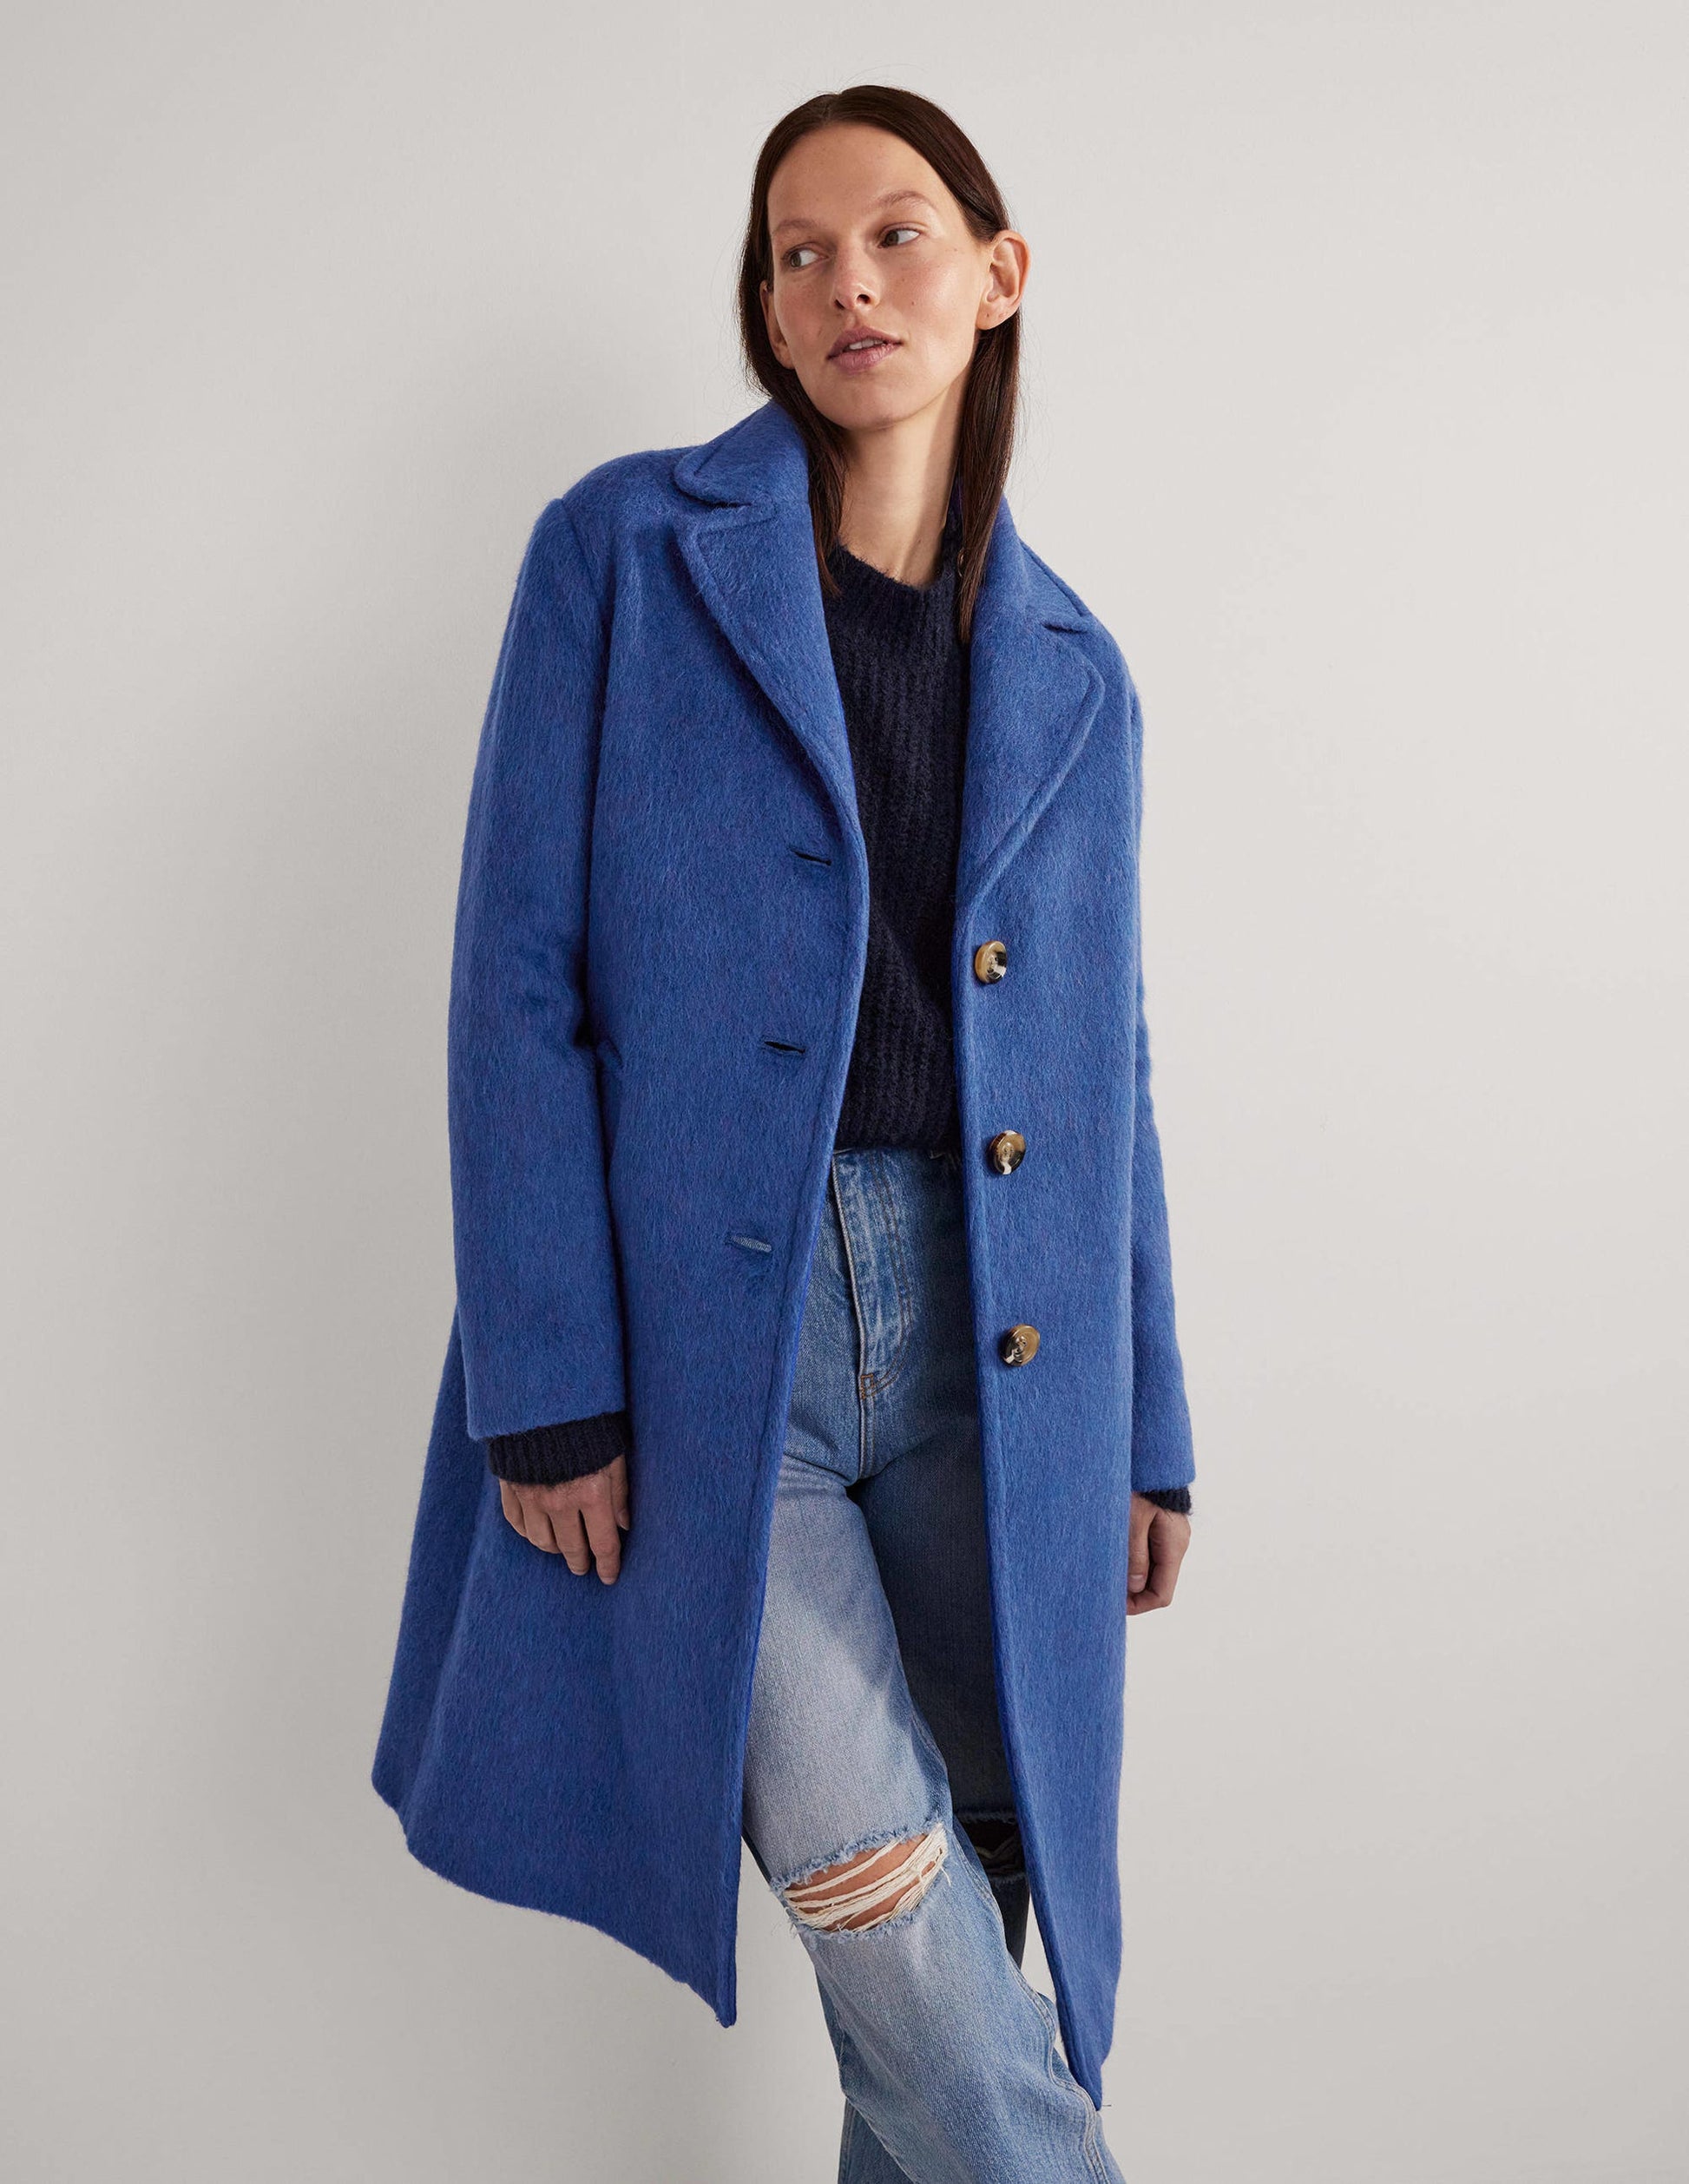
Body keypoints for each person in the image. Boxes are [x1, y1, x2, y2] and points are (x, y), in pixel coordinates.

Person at [374, 83, 1195, 2183]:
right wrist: (547, 1378)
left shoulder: (1077, 671)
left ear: (999, 277)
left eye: (897, 234)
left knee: (945, 1950)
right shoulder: (625, 556)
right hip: (713, 1344)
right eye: (796, 252)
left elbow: (1105, 1064)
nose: (845, 284)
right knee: (892, 1916)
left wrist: (1149, 1421)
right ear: (761, 304)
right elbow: (515, 981)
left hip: (1002, 1357)